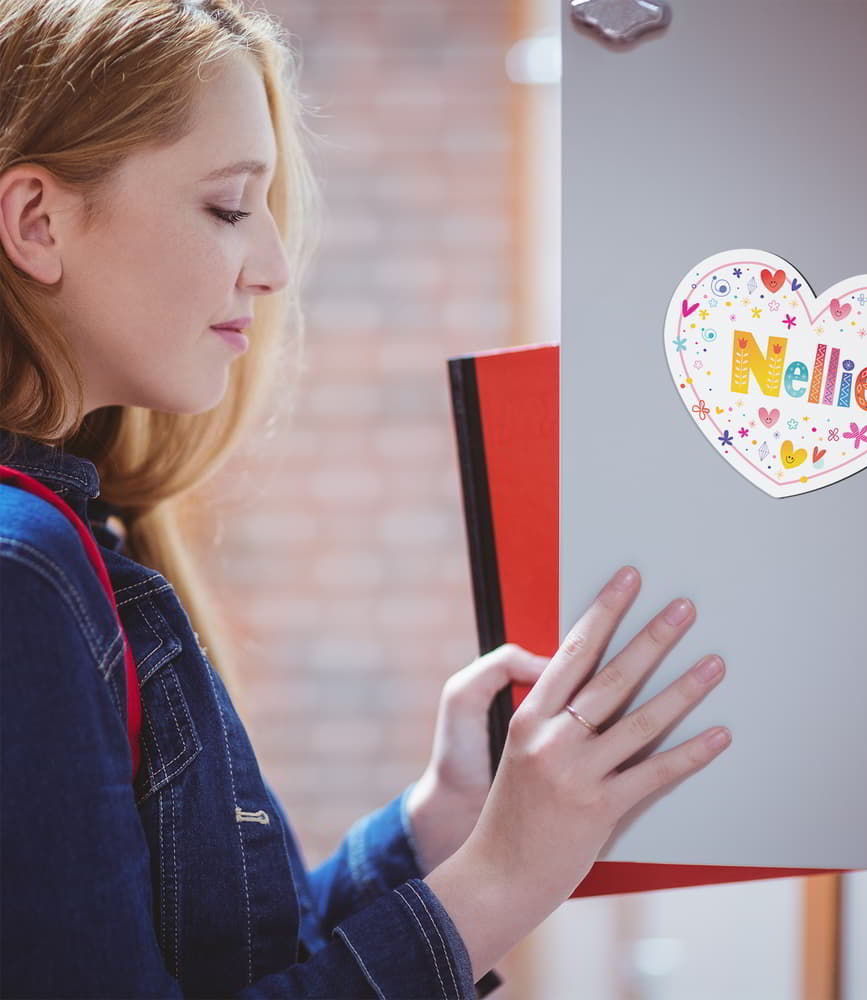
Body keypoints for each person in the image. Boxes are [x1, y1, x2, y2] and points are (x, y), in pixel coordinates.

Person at [0, 1, 732, 996]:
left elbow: (217, 963)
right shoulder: (22, 570)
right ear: (37, 223)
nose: (272, 264)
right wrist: (497, 882)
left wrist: (433, 824)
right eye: (227, 206)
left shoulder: (67, 541)